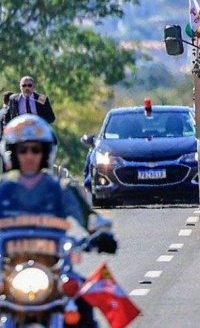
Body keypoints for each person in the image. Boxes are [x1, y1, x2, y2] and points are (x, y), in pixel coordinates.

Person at [0, 114, 116, 327]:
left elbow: (89, 218)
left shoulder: (61, 188)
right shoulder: (2, 188)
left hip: (54, 270)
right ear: (12, 153)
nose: (29, 156)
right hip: (8, 270)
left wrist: (100, 233)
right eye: (22, 150)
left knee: (80, 299)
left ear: (45, 153)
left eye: (35, 149)